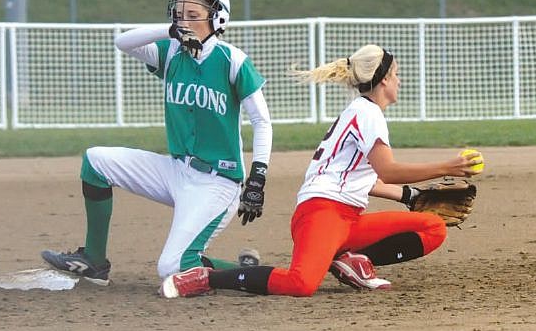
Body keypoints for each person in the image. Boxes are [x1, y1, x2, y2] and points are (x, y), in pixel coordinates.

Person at [159, 44, 481, 298]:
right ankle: (206, 277)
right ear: (383, 80)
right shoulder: (367, 113)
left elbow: (365, 180)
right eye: (396, 74)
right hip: (321, 214)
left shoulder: (363, 113)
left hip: (347, 219)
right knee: (301, 283)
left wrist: (409, 196)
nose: (400, 80)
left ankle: (348, 258)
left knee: (432, 227)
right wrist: (449, 166)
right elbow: (389, 169)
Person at [41, 0, 273, 285]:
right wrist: (170, 32)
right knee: (95, 161)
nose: (183, 21)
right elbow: (122, 42)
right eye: (179, 15)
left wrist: (257, 176)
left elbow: (262, 122)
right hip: (176, 170)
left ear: (218, 19)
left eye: (193, 15)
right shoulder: (171, 52)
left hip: (216, 183)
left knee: (172, 268)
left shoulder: (233, 61)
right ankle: (94, 261)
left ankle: (247, 272)